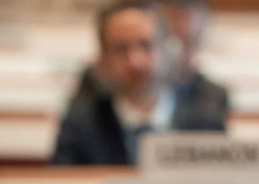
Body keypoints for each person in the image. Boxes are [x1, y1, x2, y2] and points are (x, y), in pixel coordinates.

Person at [51, 0, 226, 166]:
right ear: (102, 58)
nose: (136, 61)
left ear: (167, 49)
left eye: (146, 45)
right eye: (121, 49)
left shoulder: (205, 119)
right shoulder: (80, 124)